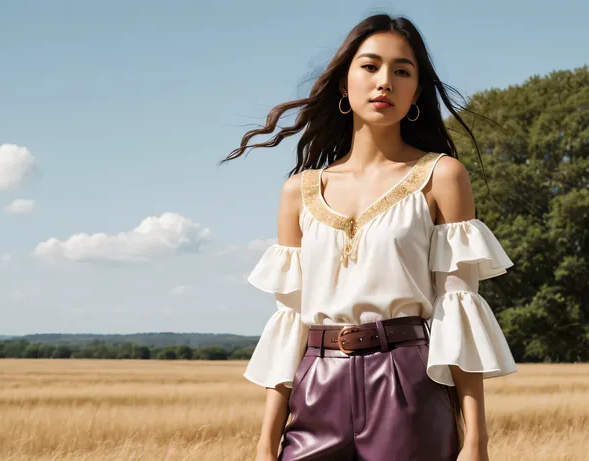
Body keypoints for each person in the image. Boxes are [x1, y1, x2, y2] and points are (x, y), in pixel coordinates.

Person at [220, 13, 518, 461]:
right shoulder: (298, 191)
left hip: (408, 386)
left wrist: (475, 442)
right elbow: (290, 321)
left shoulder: (442, 176)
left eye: (402, 71)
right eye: (370, 66)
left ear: (416, 93)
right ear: (344, 83)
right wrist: (266, 443)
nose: (385, 82)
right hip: (314, 387)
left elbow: (458, 309)